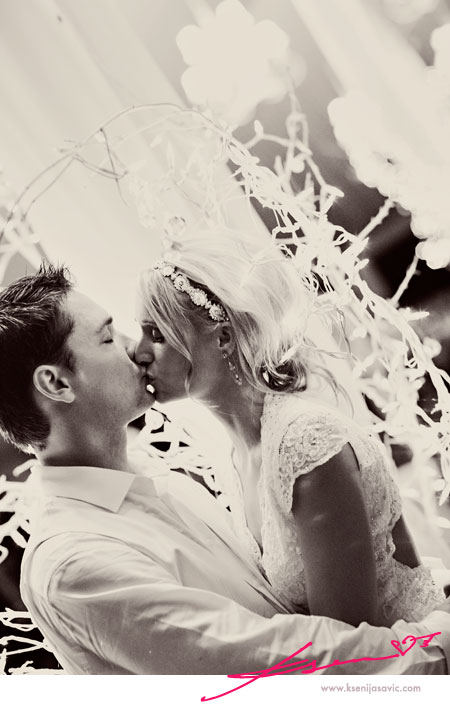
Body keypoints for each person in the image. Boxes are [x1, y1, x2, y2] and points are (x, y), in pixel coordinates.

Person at [0, 264, 448, 675]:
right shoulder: (74, 564)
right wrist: (437, 644)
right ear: (56, 383)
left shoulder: (164, 482)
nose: (135, 349)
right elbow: (271, 665)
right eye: (107, 337)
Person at [136, 230, 445, 629]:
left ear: (224, 338)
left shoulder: (305, 443)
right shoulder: (233, 454)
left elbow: (348, 637)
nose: (139, 353)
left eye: (157, 335)